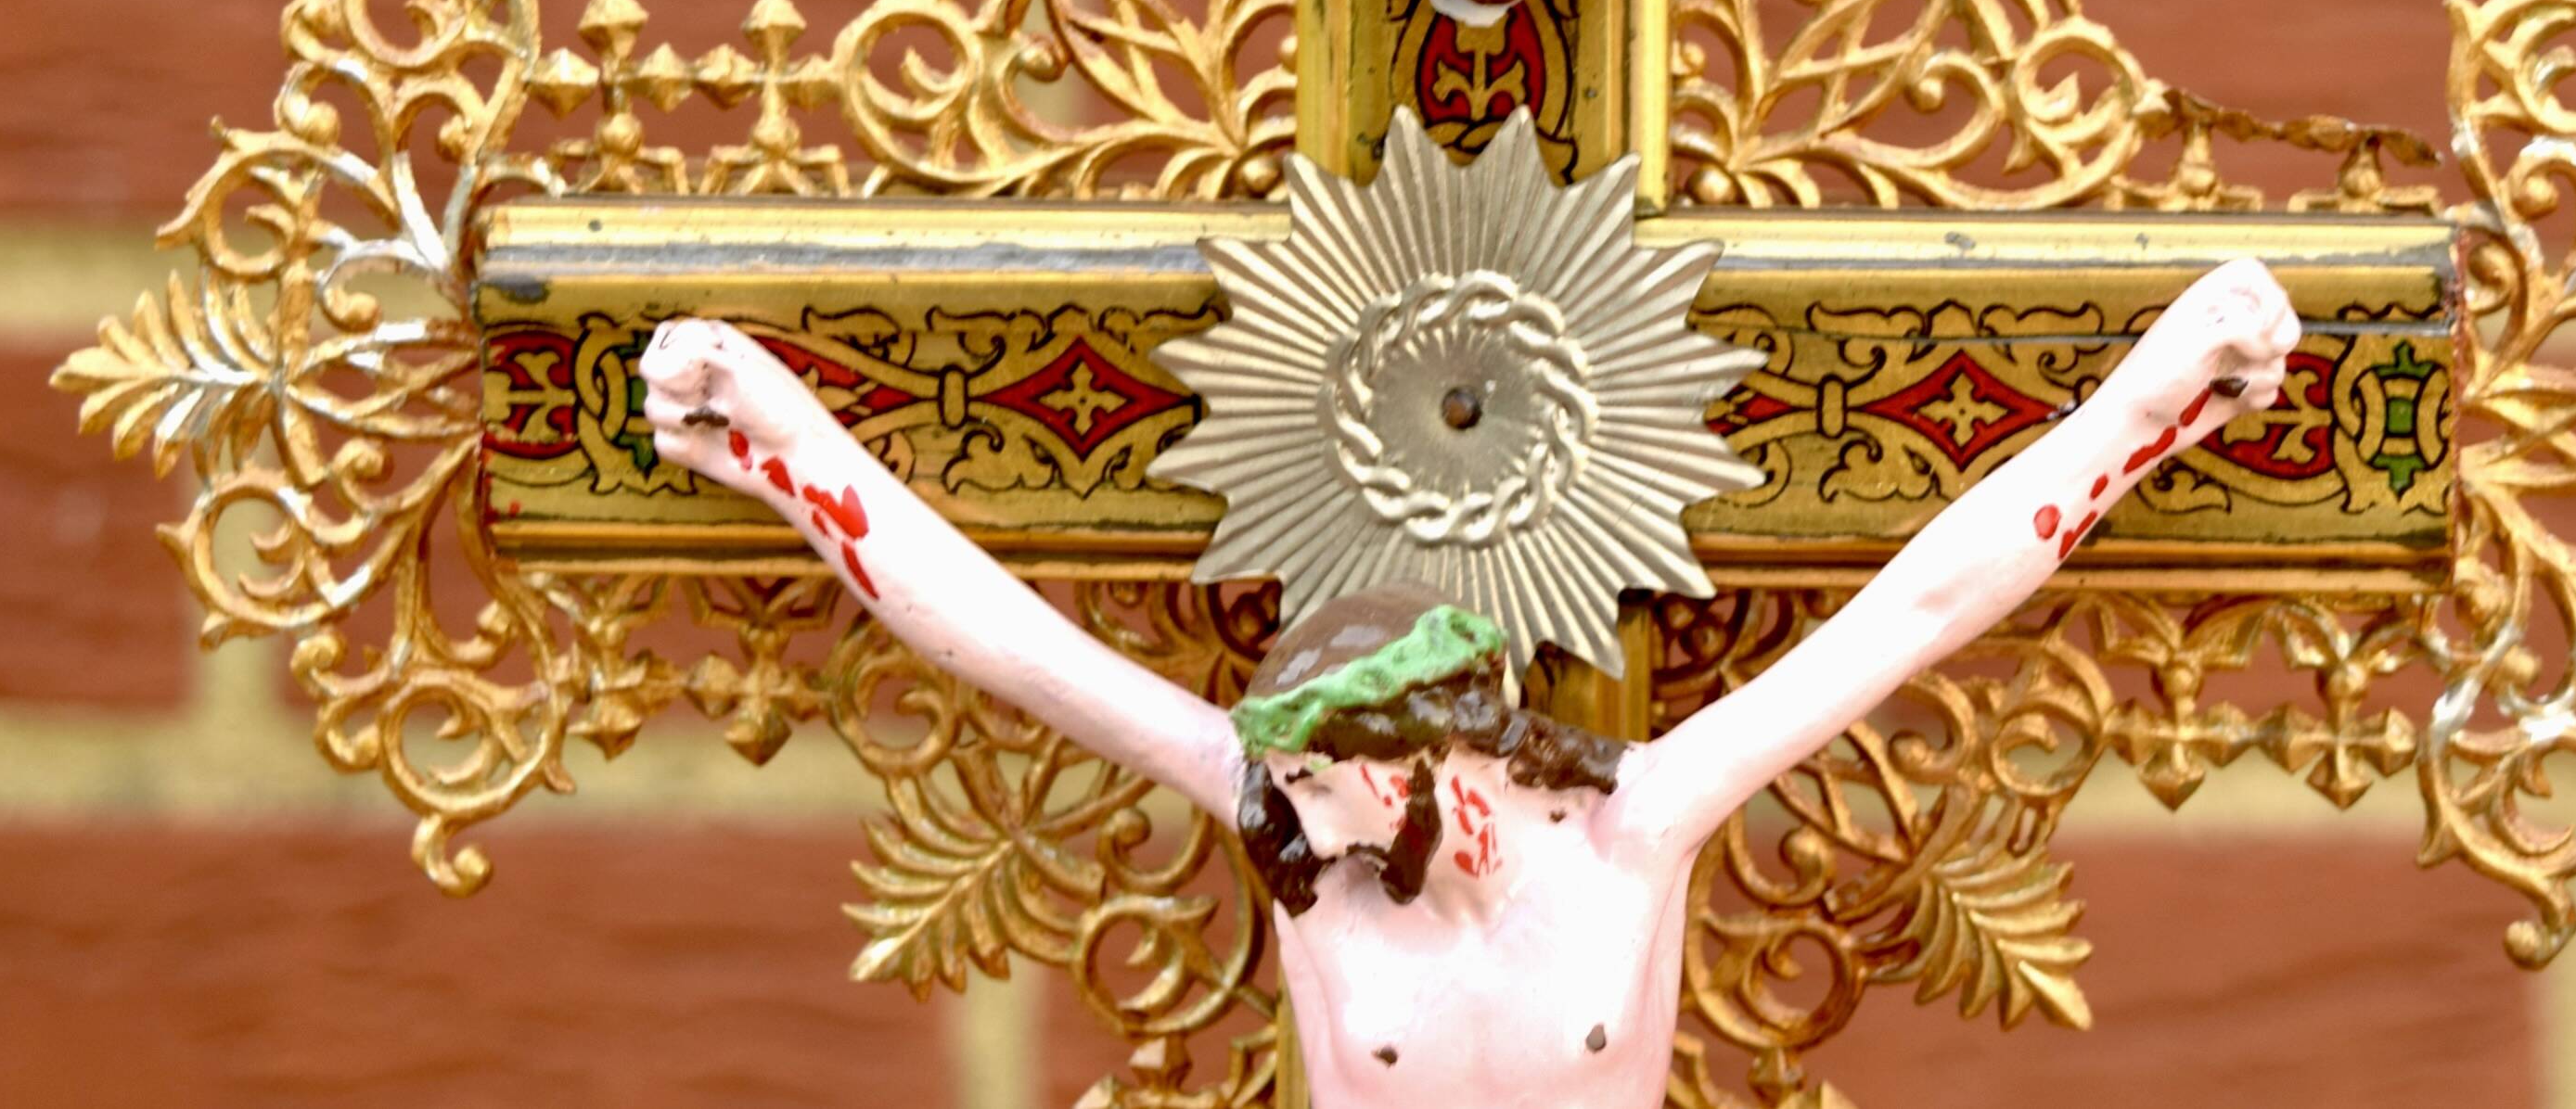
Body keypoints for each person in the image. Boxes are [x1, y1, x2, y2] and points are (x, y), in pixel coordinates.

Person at [643, 254, 2300, 1108]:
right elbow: (1007, 641)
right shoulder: (1310, 873)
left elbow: (1920, 603)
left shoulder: (1635, 830)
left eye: (1308, 775)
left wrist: (2156, 402)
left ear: (1404, 754)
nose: (1279, 807)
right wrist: (780, 445)